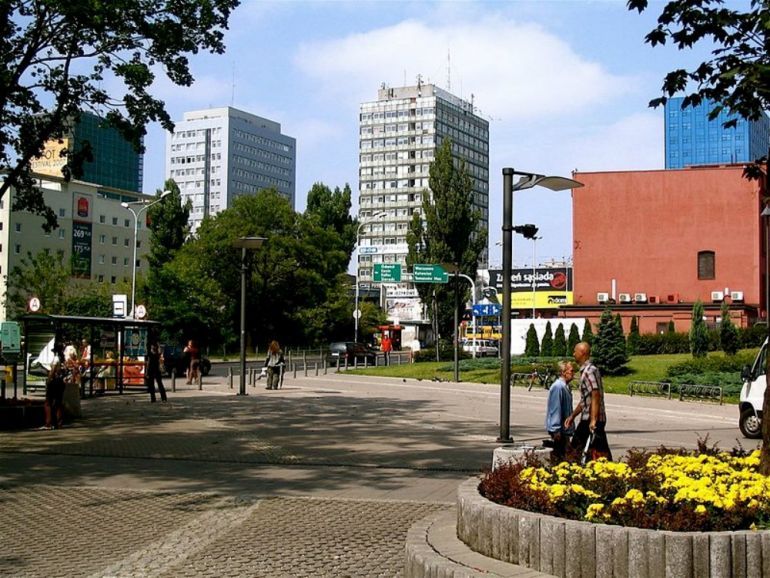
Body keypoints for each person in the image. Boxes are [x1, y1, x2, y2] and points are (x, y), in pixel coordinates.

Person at [565, 341, 612, 461]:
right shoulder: (588, 370)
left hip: (591, 419)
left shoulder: (589, 371)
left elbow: (595, 394)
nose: (573, 354)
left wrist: (593, 420)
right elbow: (586, 399)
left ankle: (569, 471)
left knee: (577, 449)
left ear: (582, 352)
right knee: (598, 451)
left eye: (575, 351)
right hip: (590, 418)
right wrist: (573, 416)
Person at [545, 360, 575, 460]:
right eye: (571, 371)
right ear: (563, 372)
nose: (573, 374)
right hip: (559, 431)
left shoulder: (565, 386)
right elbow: (555, 408)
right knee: (560, 457)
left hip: (564, 430)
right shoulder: (558, 387)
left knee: (565, 456)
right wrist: (556, 429)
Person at [41, 342, 66, 430]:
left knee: (48, 402)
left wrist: (48, 380)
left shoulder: (56, 358)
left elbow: (53, 370)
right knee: (58, 402)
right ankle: (59, 423)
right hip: (60, 382)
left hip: (54, 381)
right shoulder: (62, 358)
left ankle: (48, 423)